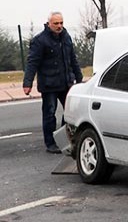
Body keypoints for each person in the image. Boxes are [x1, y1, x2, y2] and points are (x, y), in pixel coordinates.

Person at [23, 12, 83, 153]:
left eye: (61, 23)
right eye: (56, 23)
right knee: (49, 114)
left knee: (69, 113)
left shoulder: (66, 37)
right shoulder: (40, 40)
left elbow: (73, 59)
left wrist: (79, 79)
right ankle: (50, 143)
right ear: (49, 23)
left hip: (66, 82)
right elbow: (32, 62)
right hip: (49, 84)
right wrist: (27, 83)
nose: (59, 26)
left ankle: (65, 139)